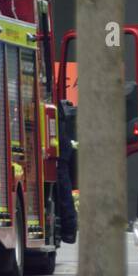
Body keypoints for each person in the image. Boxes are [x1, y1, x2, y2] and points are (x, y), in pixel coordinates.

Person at [56, 99, 78, 244]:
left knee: (63, 186)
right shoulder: (59, 110)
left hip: (59, 150)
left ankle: (69, 229)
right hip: (61, 150)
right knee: (63, 187)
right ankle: (69, 229)